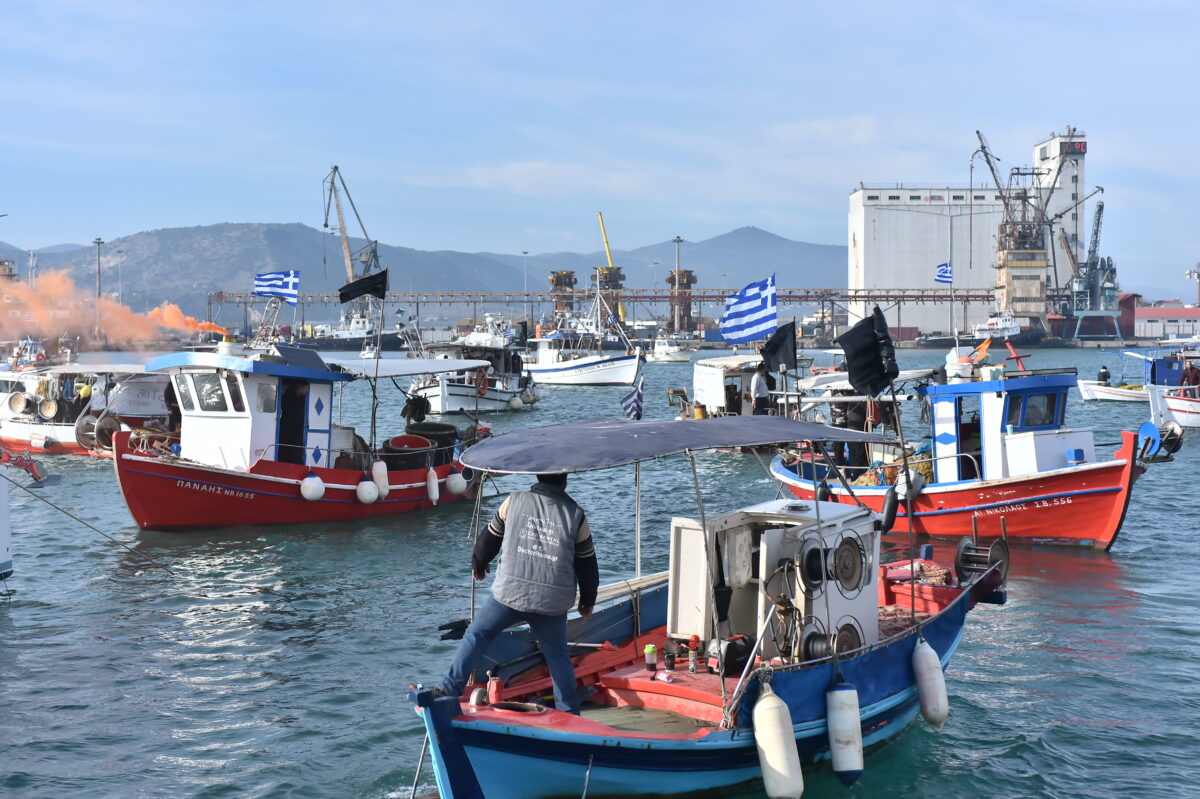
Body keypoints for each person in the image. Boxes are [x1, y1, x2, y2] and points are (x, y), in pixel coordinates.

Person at [442, 473, 599, 714]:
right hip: (551, 603)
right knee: (557, 656)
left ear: (538, 476)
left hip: (508, 596)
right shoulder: (576, 515)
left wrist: (478, 565)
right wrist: (588, 601)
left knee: (476, 634)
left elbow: (489, 539)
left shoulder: (513, 501)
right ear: (565, 481)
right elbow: (587, 564)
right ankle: (569, 713)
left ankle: (449, 691)